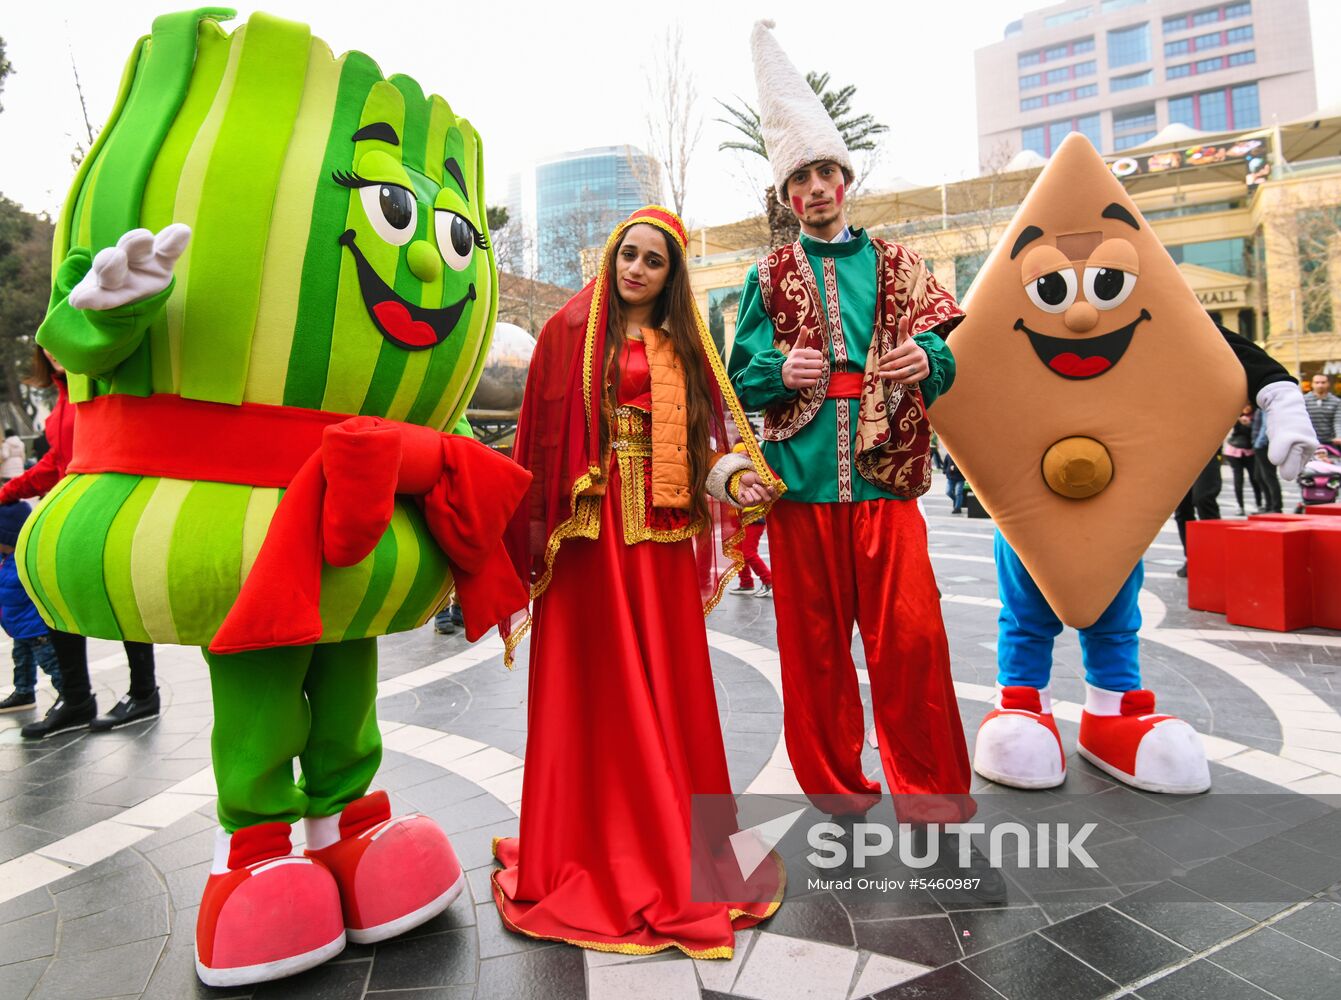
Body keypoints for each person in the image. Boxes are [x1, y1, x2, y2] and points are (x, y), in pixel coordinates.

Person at [495, 205, 785, 958]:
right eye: (629, 254)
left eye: (653, 261)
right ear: (614, 256)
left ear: (670, 274)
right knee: (593, 690)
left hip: (658, 542)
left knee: (665, 686)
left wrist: (732, 481)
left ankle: (670, 845)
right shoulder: (567, 330)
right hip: (589, 542)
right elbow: (544, 435)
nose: (635, 269)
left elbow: (695, 444)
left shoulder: (680, 345)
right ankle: (583, 847)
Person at [727, 23, 977, 831]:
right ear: (786, 194)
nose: (815, 190)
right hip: (800, 485)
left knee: (912, 643)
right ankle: (836, 787)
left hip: (886, 477)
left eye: (825, 173)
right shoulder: (765, 275)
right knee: (814, 651)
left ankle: (929, 788)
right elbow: (737, 373)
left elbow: (947, 346)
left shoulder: (902, 263)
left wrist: (925, 363)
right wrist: (777, 371)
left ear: (846, 178)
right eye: (799, 179)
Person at [0, 348, 159, 737]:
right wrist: (7, 492)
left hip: (106, 507)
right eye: (45, 345)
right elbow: (57, 461)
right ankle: (76, 699)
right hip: (70, 512)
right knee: (56, 600)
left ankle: (143, 694)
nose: (53, 350)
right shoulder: (64, 395)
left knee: (119, 597)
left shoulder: (102, 385)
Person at [0, 502, 62, 713]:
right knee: (22, 661)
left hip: (36, 629)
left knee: (51, 664)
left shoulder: (24, 560)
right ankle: (24, 692)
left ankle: (68, 696)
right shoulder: (6, 559)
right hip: (19, 627)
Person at [1223, 406, 1264, 514]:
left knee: (1254, 479)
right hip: (1234, 451)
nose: (1246, 408)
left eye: (1248, 405)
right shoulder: (1236, 416)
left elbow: (1257, 431)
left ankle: (1259, 504)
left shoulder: (1257, 415)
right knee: (1238, 479)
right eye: (1244, 405)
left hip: (1250, 452)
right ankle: (1240, 506)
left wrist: (1249, 424)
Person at [1251, 404, 1283, 512]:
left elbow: (1266, 426)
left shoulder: (1267, 406)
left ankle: (1276, 507)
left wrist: (1258, 443)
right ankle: (1269, 505)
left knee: (1269, 477)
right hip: (1261, 445)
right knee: (1259, 476)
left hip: (1264, 445)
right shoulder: (1262, 406)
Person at [1305, 373, 1340, 446]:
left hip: (1330, 442)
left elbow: (1338, 421)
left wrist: (1339, 436)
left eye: (1323, 382)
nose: (1320, 385)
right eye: (1317, 382)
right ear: (1312, 384)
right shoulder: (1303, 400)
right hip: (1309, 441)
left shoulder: (1336, 401)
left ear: (1328, 384)